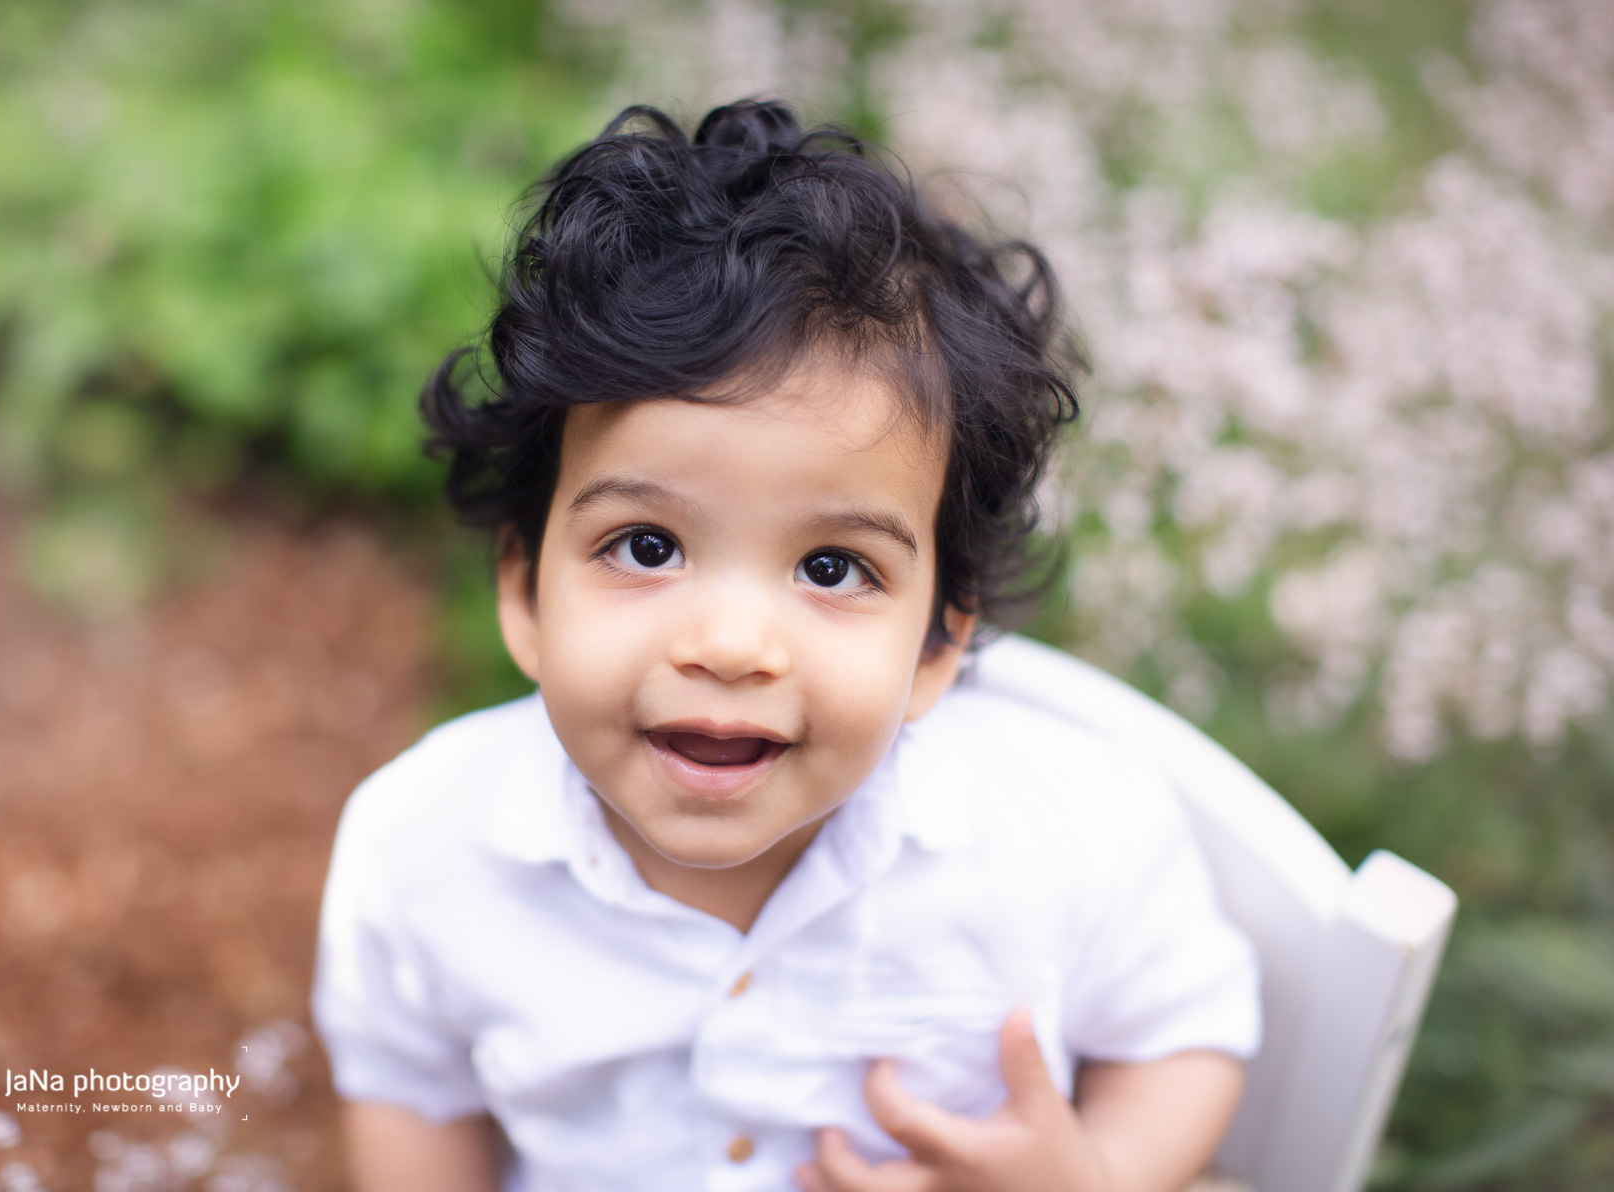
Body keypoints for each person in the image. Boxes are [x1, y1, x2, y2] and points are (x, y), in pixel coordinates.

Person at [312, 100, 1259, 1192]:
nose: (729, 644)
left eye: (831, 568)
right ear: (525, 593)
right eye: (646, 544)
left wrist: (1094, 1175)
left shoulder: (1068, 837)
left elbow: (1182, 1034)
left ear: (940, 643)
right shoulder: (422, 848)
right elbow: (410, 1088)